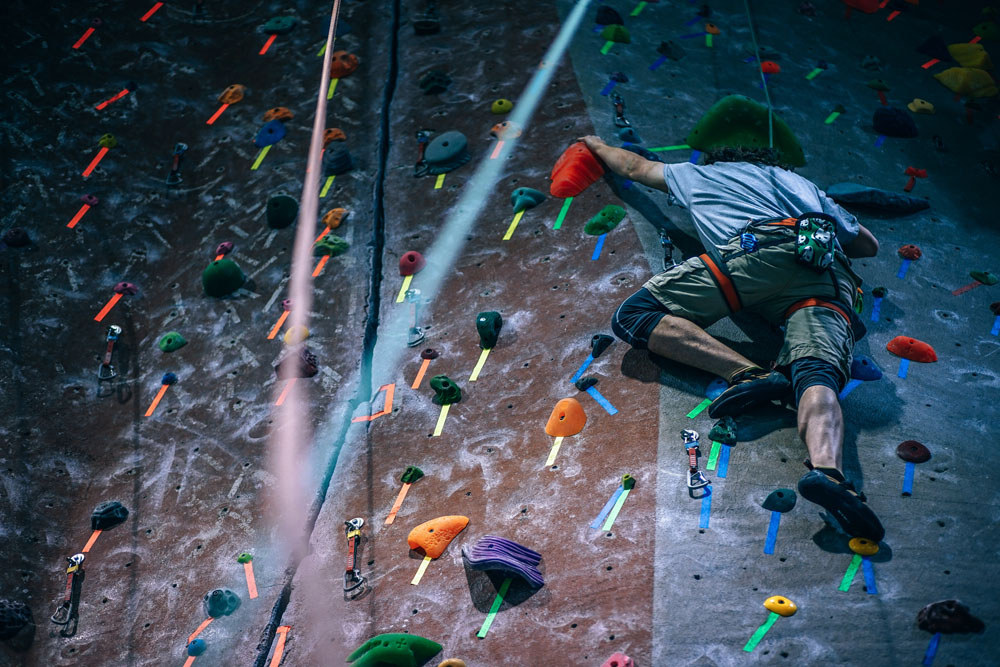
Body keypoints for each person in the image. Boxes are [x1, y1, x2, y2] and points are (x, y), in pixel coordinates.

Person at [579, 135, 885, 542]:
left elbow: (634, 168)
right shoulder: (804, 187)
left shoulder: (698, 174)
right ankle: (828, 473)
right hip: (827, 276)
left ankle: (746, 373)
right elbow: (868, 244)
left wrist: (596, 145)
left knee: (635, 315)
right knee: (817, 374)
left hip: (754, 255)